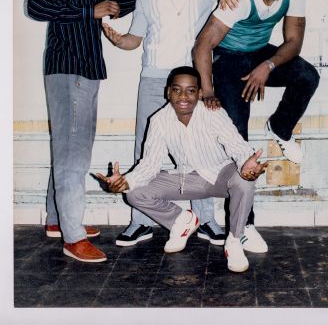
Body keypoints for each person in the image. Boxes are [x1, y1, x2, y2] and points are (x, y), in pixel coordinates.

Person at [102, 0, 262, 248]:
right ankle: (141, 223)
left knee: (200, 148)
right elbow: (134, 39)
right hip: (153, 78)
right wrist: (117, 39)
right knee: (144, 148)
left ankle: (207, 222)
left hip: (191, 80)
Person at [26, 0, 162, 263]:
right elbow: (35, 6)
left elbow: (112, 8)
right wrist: (89, 10)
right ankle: (73, 237)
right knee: (73, 155)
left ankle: (57, 220)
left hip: (88, 70)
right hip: (66, 69)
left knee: (70, 148)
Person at [193, 0, 320, 248]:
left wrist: (269, 65)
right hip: (228, 58)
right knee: (239, 135)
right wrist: (208, 91)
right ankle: (243, 225)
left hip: (258, 55)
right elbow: (202, 46)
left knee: (307, 75)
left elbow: (293, 43)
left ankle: (280, 127)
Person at [95, 66, 268, 273]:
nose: (183, 96)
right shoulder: (159, 120)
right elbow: (150, 163)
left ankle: (235, 241)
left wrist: (246, 161)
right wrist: (125, 181)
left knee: (245, 179)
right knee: (133, 192)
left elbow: (236, 145)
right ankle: (182, 220)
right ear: (168, 92)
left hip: (220, 175)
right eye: (177, 90)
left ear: (200, 93)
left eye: (191, 90)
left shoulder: (213, 113)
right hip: (187, 179)